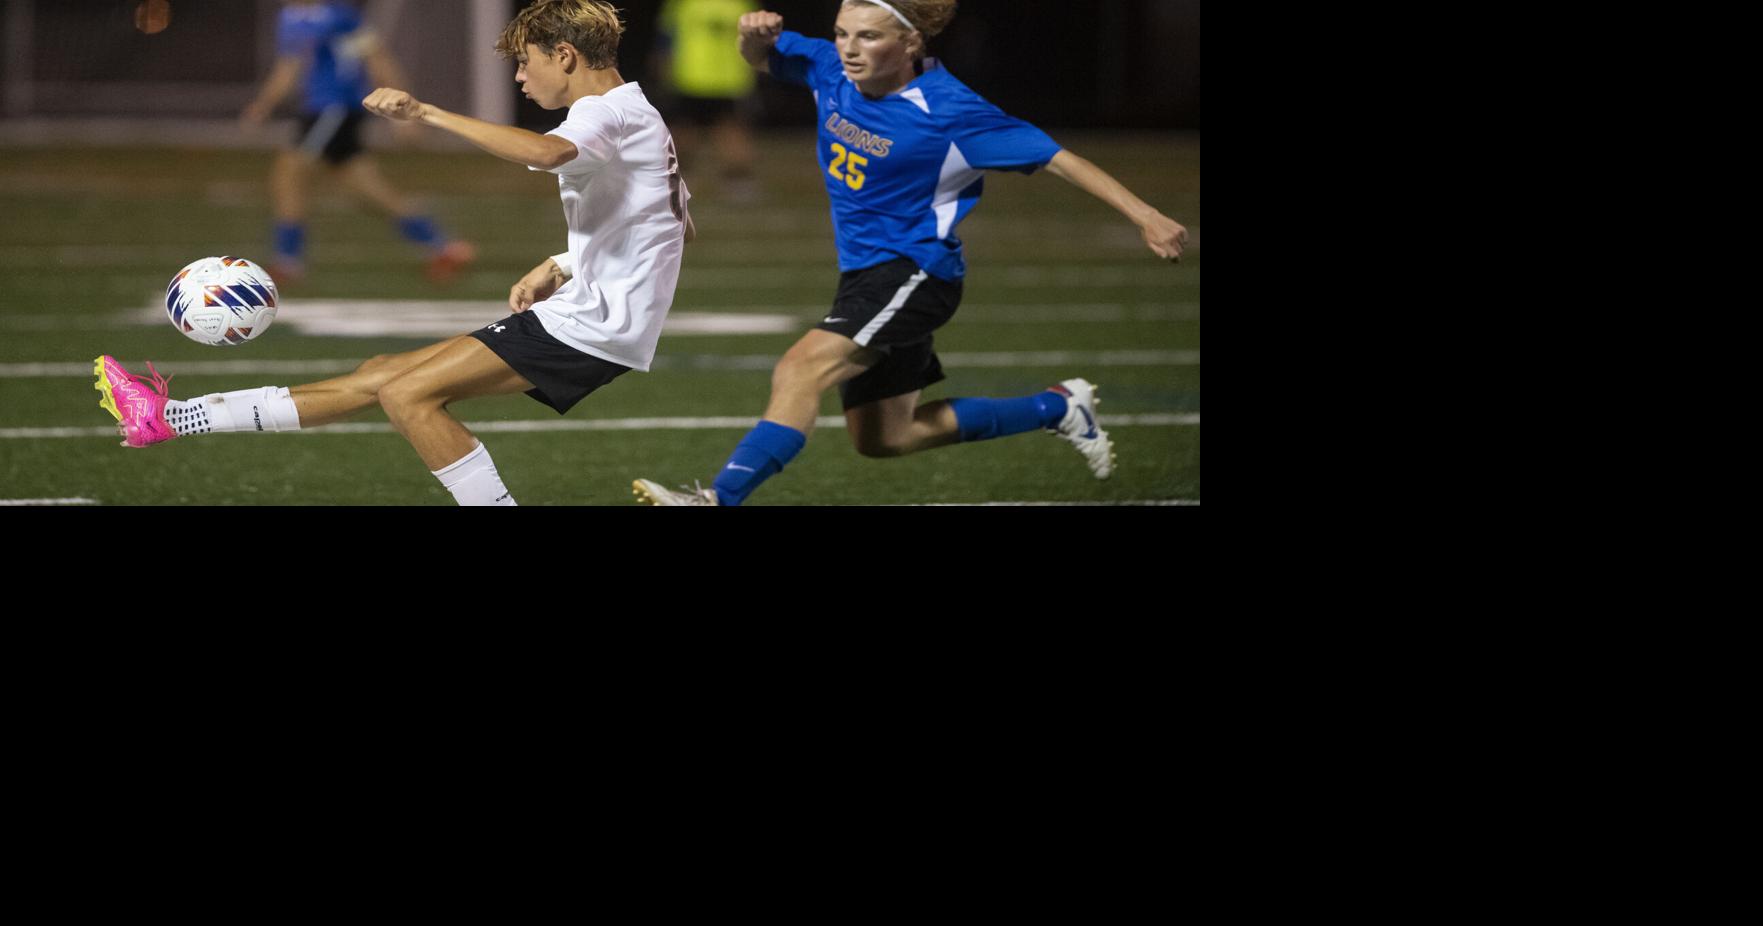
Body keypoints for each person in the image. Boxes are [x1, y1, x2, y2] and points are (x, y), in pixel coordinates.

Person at [97, 0, 692, 507]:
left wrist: (428, 112)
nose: (519, 78)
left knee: (406, 395)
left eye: (525, 62)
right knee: (381, 372)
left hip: (594, 325)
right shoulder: (635, 112)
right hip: (594, 316)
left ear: (564, 55)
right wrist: (562, 263)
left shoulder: (603, 112)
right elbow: (672, 220)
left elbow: (548, 153)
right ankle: (168, 419)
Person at [631, 0, 1188, 506]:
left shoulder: (951, 110)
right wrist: (754, 35)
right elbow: (761, 58)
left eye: (869, 37)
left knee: (800, 368)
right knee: (885, 438)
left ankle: (715, 500)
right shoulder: (829, 66)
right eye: (843, 33)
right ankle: (1058, 407)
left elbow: (1058, 158)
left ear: (910, 44)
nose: (850, 47)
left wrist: (1146, 215)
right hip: (865, 276)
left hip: (919, 272)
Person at [241, 0, 477, 283]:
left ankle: (287, 261)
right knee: (364, 188)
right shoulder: (290, 18)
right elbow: (288, 67)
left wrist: (402, 115)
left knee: (289, 173)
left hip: (335, 109)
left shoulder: (338, 16)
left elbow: (376, 57)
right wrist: (263, 105)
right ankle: (444, 247)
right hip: (319, 110)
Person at [654, 0, 761, 201]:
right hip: (697, 78)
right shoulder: (687, 5)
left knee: (729, 132)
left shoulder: (738, 5)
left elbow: (756, 42)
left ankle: (738, 183)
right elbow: (667, 40)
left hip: (720, 79)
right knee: (687, 132)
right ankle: (681, 180)